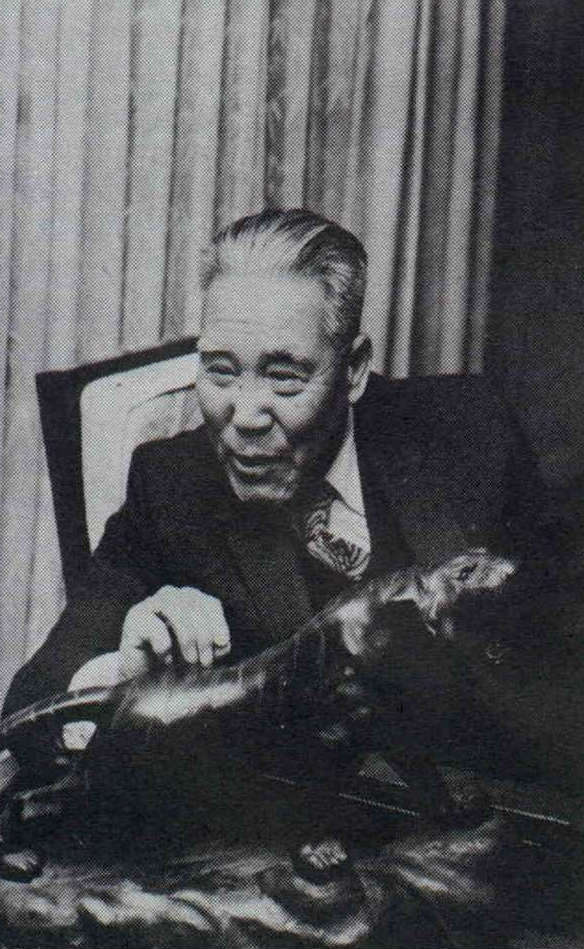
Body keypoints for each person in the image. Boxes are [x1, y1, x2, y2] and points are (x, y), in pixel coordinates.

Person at [3, 209, 549, 726]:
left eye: (284, 377)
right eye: (220, 371)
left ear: (354, 369)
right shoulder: (170, 484)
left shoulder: (469, 429)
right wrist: (126, 673)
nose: (244, 417)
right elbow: (33, 700)